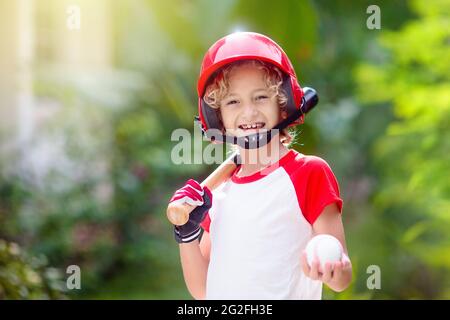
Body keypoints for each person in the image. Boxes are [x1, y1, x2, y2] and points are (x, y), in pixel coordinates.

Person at [168, 32, 352, 300]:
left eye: (261, 97)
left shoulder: (308, 173)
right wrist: (187, 236)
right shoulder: (217, 195)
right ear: (216, 117)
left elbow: (341, 281)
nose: (249, 112)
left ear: (284, 104)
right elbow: (204, 291)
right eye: (233, 102)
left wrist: (333, 266)